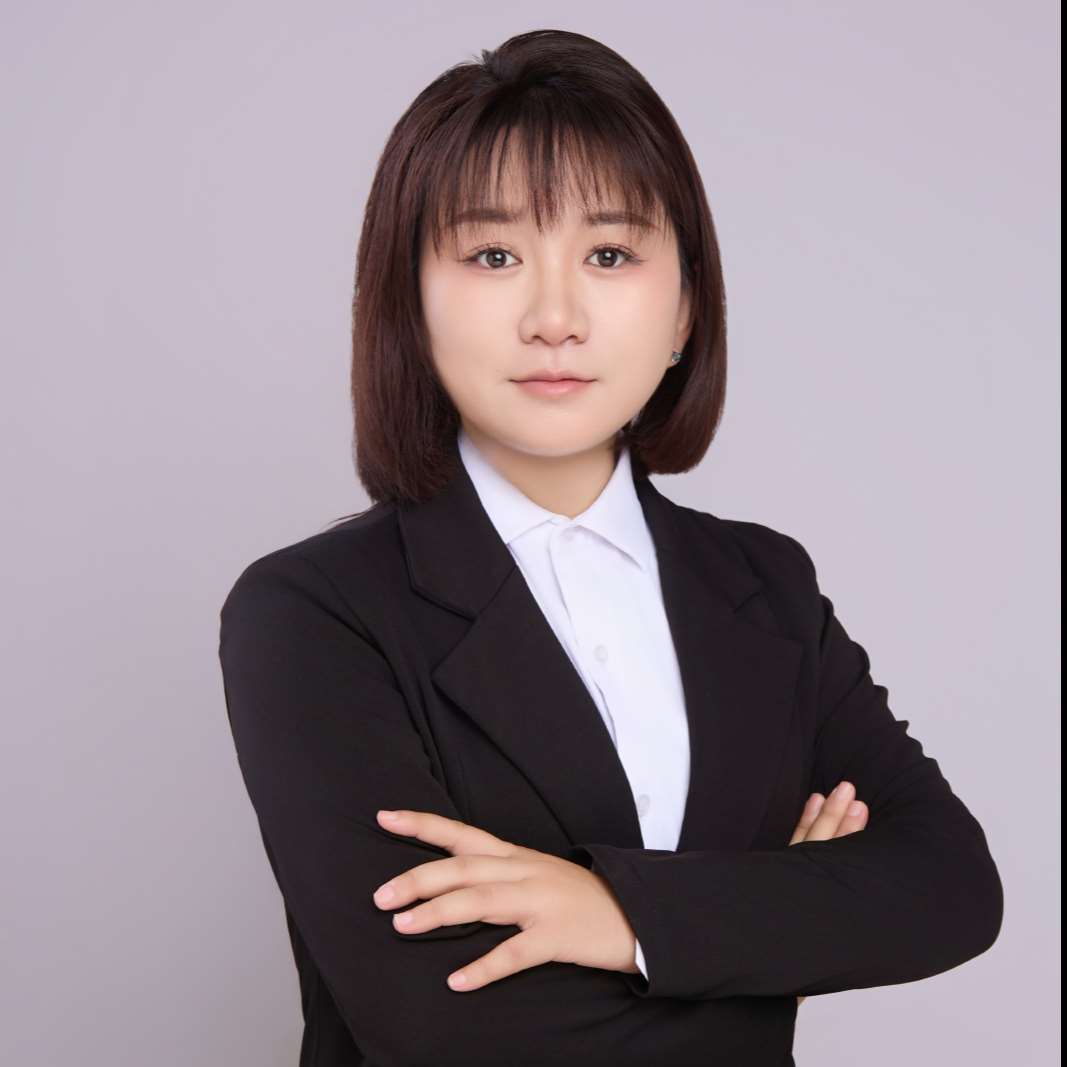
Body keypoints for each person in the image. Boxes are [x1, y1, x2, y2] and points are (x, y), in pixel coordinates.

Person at [217, 28, 1003, 1067]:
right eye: (493, 256)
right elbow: (446, 1019)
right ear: (410, 300)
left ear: (683, 310)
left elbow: (951, 888)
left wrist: (613, 913)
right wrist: (776, 927)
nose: (554, 317)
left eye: (609, 255)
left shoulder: (763, 582)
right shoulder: (313, 610)